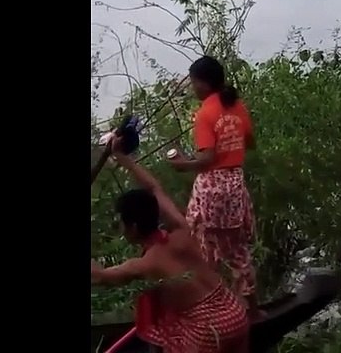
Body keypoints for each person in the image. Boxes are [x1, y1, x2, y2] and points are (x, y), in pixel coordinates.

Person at [92, 138, 250, 352]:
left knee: (167, 337)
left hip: (209, 332)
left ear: (134, 228)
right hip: (235, 314)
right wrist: (122, 158)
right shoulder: (182, 230)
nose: (119, 228)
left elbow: (99, 276)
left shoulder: (145, 264)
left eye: (121, 224)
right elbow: (154, 188)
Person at [170, 55, 259, 315]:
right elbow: (250, 143)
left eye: (194, 82)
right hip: (234, 184)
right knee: (237, 251)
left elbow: (206, 158)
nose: (192, 87)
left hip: (211, 188)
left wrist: (183, 164)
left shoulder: (205, 113)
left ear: (205, 84)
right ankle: (253, 310)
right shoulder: (237, 106)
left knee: (203, 252)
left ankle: (211, 315)